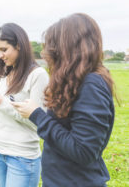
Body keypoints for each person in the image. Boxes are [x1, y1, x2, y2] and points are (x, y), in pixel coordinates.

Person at [11, 13, 115, 187]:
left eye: (53, 45)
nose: (47, 53)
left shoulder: (91, 85)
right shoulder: (78, 80)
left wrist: (37, 116)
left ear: (68, 47)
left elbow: (83, 151)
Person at [0, 23, 49, 187]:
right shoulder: (8, 72)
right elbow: (2, 111)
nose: (0, 55)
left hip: (21, 156)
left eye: (4, 49)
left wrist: (1, 102)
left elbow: (39, 123)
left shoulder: (38, 75)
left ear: (19, 46)